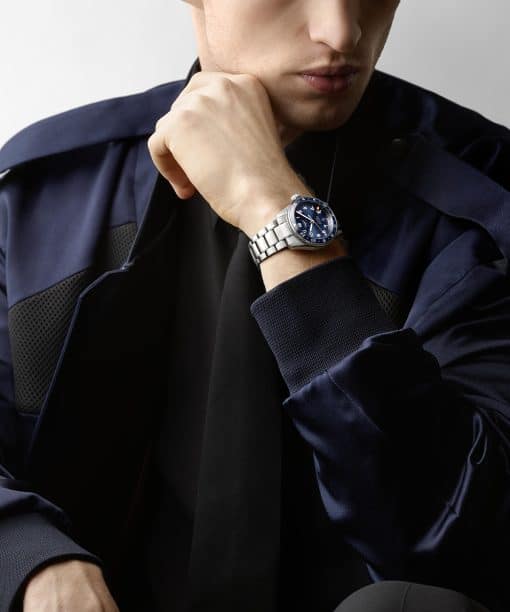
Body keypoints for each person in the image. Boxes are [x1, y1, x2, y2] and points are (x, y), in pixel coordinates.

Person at [0, 0, 508, 610]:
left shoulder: (487, 201)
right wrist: (30, 559)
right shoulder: (45, 192)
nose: (342, 31)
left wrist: (275, 210)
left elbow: (463, 537)